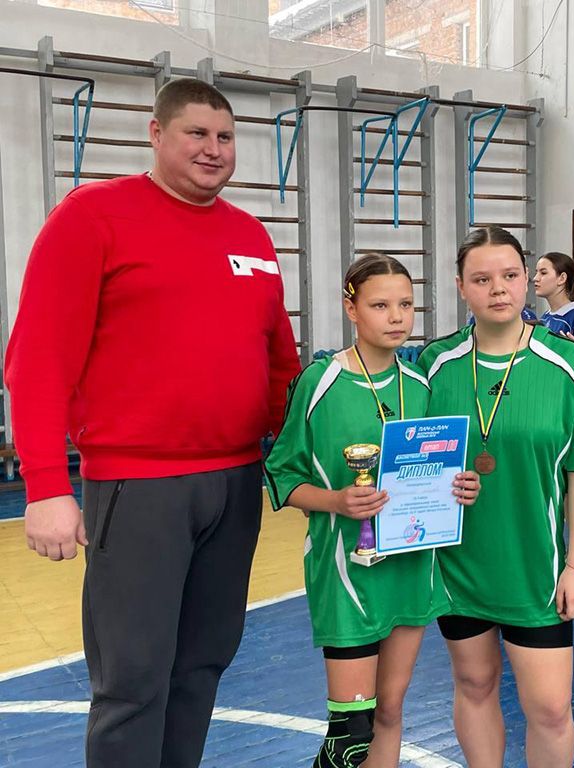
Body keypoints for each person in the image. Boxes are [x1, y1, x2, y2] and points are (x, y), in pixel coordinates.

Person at [5, 78, 301, 767]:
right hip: (139, 488)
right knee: (133, 681)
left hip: (236, 483)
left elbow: (281, 366)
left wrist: (302, 459)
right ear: (156, 134)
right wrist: (46, 486)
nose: (213, 149)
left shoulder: (250, 235)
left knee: (202, 667)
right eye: (197, 133)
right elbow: (37, 360)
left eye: (225, 137)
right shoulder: (93, 217)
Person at [263, 254, 481, 766]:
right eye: (381, 305)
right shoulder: (319, 382)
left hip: (410, 568)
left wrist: (461, 486)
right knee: (350, 734)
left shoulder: (422, 385)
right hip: (345, 572)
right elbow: (282, 474)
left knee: (389, 711)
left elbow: (438, 469)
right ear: (351, 309)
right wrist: (336, 501)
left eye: (405, 304)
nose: (397, 317)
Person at [418, 226, 574, 767]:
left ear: (526, 280)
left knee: (550, 708)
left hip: (537, 568)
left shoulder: (567, 365)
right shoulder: (435, 365)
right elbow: (413, 463)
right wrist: (439, 484)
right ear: (460, 287)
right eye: (481, 279)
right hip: (458, 564)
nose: (498, 288)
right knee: (474, 685)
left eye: (510, 275)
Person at [533, 250, 574, 334]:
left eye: (543, 273)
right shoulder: (545, 317)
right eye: (536, 272)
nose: (535, 278)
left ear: (562, 278)